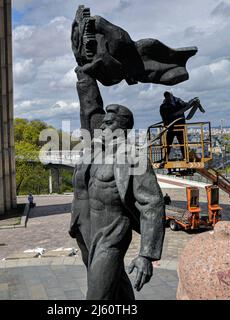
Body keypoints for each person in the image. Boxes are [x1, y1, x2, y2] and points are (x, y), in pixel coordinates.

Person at [69, 68, 165, 300]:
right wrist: (85, 74)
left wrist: (147, 255)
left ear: (122, 129)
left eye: (109, 123)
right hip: (84, 230)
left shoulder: (133, 158)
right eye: (102, 123)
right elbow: (90, 105)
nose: (102, 127)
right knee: (114, 284)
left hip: (112, 233)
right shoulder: (94, 147)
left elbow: (152, 204)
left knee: (98, 295)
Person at [159, 91, 205, 161]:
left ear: (171, 95)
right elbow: (163, 117)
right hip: (171, 127)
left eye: (168, 96)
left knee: (182, 143)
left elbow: (186, 105)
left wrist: (193, 101)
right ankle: (166, 158)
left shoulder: (177, 101)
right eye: (166, 96)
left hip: (180, 127)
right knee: (168, 143)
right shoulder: (164, 106)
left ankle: (185, 157)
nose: (167, 97)